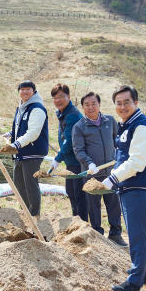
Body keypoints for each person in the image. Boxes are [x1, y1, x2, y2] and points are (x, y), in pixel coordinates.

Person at [101, 85, 146, 291]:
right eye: (118, 103)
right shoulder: (127, 125)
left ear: (136, 102)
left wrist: (112, 178)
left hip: (138, 187)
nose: (122, 106)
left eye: (127, 102)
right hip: (129, 187)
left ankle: (135, 281)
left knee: (136, 235)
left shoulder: (142, 127)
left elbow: (136, 163)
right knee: (139, 233)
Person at [72, 92, 127, 247]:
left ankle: (116, 234)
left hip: (111, 173)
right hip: (92, 175)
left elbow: (119, 142)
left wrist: (120, 159)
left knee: (114, 203)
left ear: (99, 104)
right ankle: (98, 234)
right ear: (82, 107)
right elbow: (79, 150)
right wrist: (89, 163)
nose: (91, 107)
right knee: (93, 206)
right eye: (87, 105)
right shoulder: (79, 127)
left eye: (93, 103)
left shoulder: (110, 121)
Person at [3, 80, 49, 217]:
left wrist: (15, 144)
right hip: (20, 152)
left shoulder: (37, 108)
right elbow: (22, 126)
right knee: (19, 184)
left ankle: (34, 215)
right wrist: (12, 134)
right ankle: (25, 212)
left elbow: (33, 132)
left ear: (34, 91)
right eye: (22, 89)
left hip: (32, 152)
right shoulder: (22, 107)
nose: (24, 92)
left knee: (30, 185)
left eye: (28, 89)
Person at [49, 83, 86, 220]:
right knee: (71, 192)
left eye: (61, 97)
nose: (58, 100)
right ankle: (76, 221)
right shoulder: (63, 113)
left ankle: (82, 224)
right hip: (71, 161)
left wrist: (58, 158)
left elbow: (69, 141)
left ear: (68, 96)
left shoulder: (72, 115)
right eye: (55, 98)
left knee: (78, 194)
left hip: (78, 161)